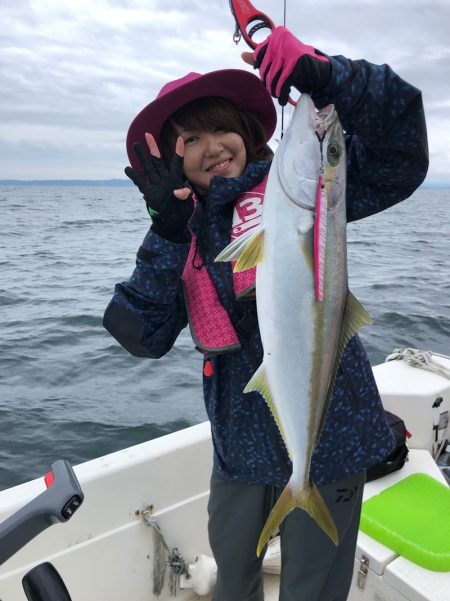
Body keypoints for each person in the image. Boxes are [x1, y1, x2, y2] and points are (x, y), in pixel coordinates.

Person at [104, 27, 428, 601]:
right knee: (234, 571)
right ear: (168, 160)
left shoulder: (311, 195)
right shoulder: (183, 235)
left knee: (312, 587)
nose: (213, 146)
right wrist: (165, 232)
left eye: (222, 128)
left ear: (252, 133)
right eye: (190, 138)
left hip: (330, 444)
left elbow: (402, 148)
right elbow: (140, 336)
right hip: (238, 451)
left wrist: (328, 76)